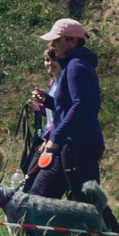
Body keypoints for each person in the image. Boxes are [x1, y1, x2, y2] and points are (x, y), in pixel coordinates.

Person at [24, 18, 103, 203]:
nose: (52, 45)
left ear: (73, 41)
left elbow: (80, 106)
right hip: (75, 143)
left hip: (76, 144)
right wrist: (49, 101)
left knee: (89, 205)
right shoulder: (77, 65)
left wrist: (56, 138)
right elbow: (73, 106)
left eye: (57, 40)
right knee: (84, 205)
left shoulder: (76, 66)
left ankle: (109, 233)